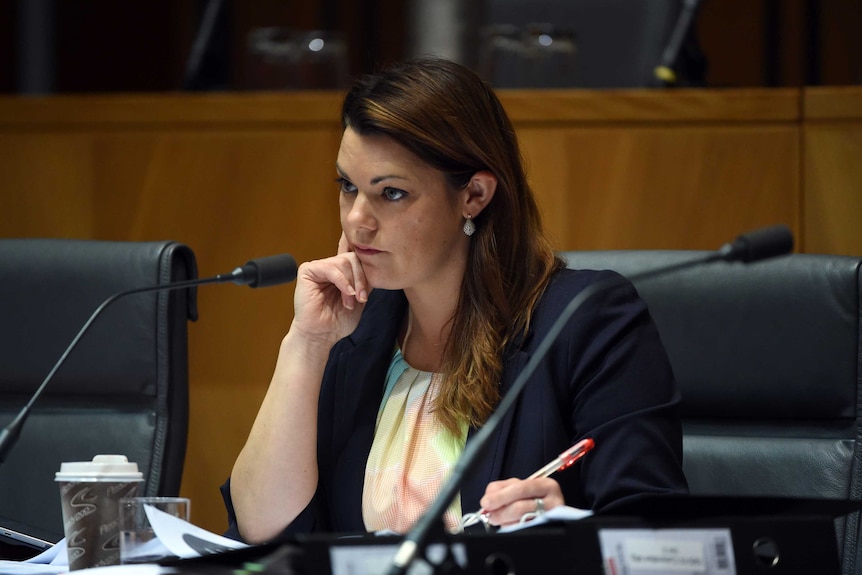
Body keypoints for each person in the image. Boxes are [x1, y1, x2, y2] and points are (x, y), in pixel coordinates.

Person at [222, 57, 687, 543]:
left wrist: (562, 528)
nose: (357, 220)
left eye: (392, 193)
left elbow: (656, 537)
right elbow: (262, 531)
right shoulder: (357, 327)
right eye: (348, 187)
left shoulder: (585, 320)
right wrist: (307, 343)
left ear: (475, 196)